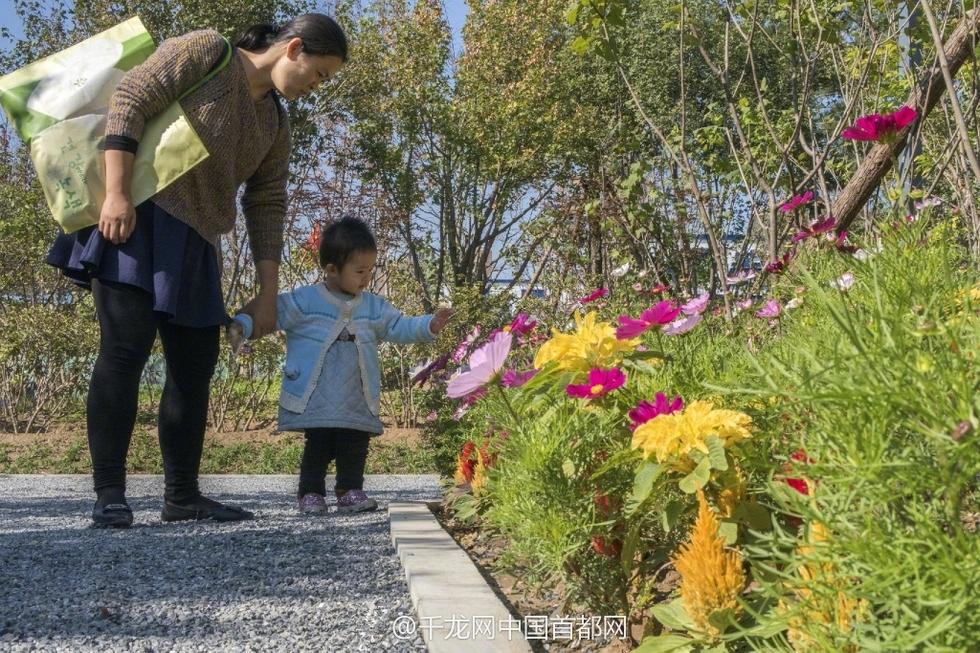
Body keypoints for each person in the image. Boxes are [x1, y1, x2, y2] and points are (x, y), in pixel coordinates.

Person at [45, 14, 348, 528]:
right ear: (293, 48)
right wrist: (116, 194)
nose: (315, 87)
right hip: (138, 219)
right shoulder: (209, 52)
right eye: (317, 74)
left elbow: (267, 203)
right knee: (125, 350)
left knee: (194, 368)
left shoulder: (274, 122)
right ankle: (109, 495)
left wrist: (267, 294)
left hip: (198, 242)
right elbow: (132, 98)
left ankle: (181, 496)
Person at [229, 216, 453, 513]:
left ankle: (350, 488)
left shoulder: (373, 306)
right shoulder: (305, 300)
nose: (367, 278)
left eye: (370, 270)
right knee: (318, 442)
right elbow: (272, 313)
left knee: (355, 441)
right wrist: (242, 324)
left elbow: (399, 325)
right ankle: (310, 491)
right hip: (318, 393)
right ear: (332, 270)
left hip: (355, 392)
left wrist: (429, 325)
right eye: (360, 270)